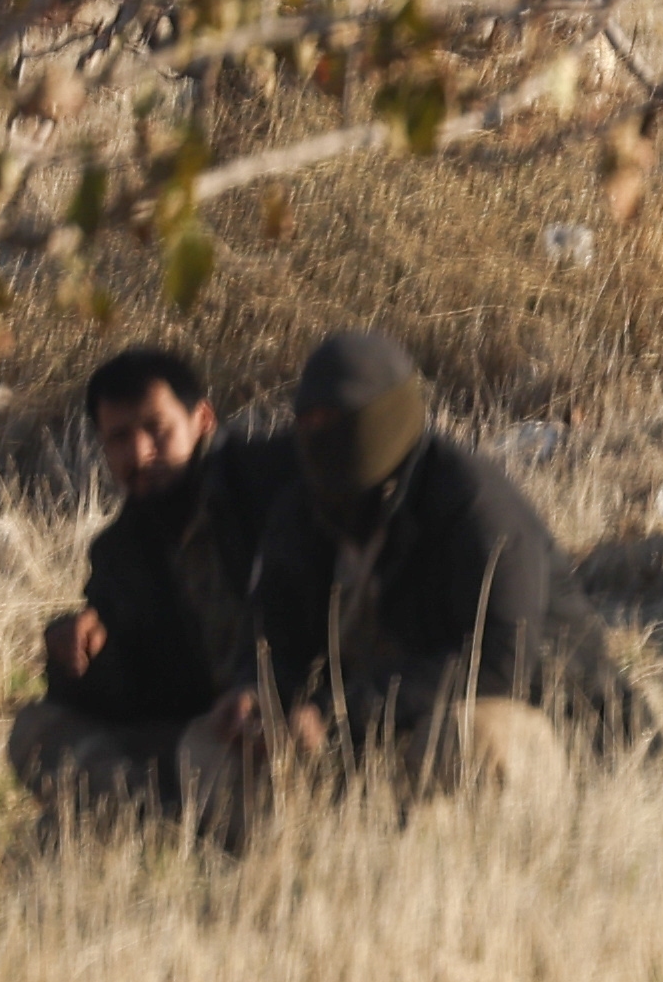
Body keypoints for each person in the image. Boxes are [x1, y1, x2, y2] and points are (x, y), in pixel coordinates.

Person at [193, 329, 628, 826]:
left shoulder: (474, 504)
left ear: (387, 416)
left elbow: (500, 661)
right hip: (365, 732)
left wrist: (338, 715)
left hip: (534, 716)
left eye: (337, 423)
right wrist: (256, 695)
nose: (319, 440)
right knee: (204, 747)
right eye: (307, 424)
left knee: (464, 742)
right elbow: (275, 634)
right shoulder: (300, 511)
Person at [2, 345, 285, 817]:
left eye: (157, 430)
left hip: (288, 726)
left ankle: (150, 820)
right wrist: (79, 652)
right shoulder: (120, 551)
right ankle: (151, 819)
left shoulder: (270, 488)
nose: (139, 453)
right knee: (36, 731)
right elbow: (133, 698)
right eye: (119, 437)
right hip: (198, 735)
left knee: (215, 755)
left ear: (203, 420)